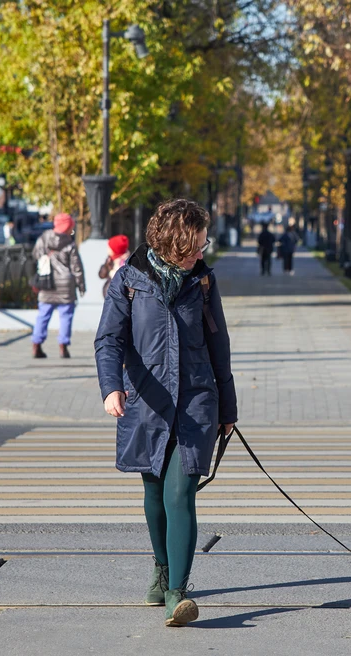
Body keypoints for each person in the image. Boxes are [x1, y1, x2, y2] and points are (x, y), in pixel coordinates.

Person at [95, 199, 237, 628]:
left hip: (196, 403)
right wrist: (111, 387)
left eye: (202, 242)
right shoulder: (130, 281)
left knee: (181, 494)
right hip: (146, 403)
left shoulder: (204, 281)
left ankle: (178, 589)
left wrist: (228, 408)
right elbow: (108, 341)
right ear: (173, 242)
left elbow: (220, 347)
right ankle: (160, 567)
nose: (201, 249)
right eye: (195, 243)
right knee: (154, 495)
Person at [31, 212, 85, 359]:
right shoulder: (70, 243)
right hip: (65, 284)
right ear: (68, 227)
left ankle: (36, 344)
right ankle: (63, 347)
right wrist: (81, 285)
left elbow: (36, 254)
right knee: (66, 315)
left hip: (46, 281)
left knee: (43, 314)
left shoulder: (44, 238)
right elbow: (76, 267)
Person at [98, 234, 130, 298]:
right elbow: (102, 275)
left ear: (115, 250)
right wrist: (106, 265)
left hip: (118, 296)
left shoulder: (124, 262)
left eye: (109, 248)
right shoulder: (110, 260)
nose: (108, 249)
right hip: (109, 295)